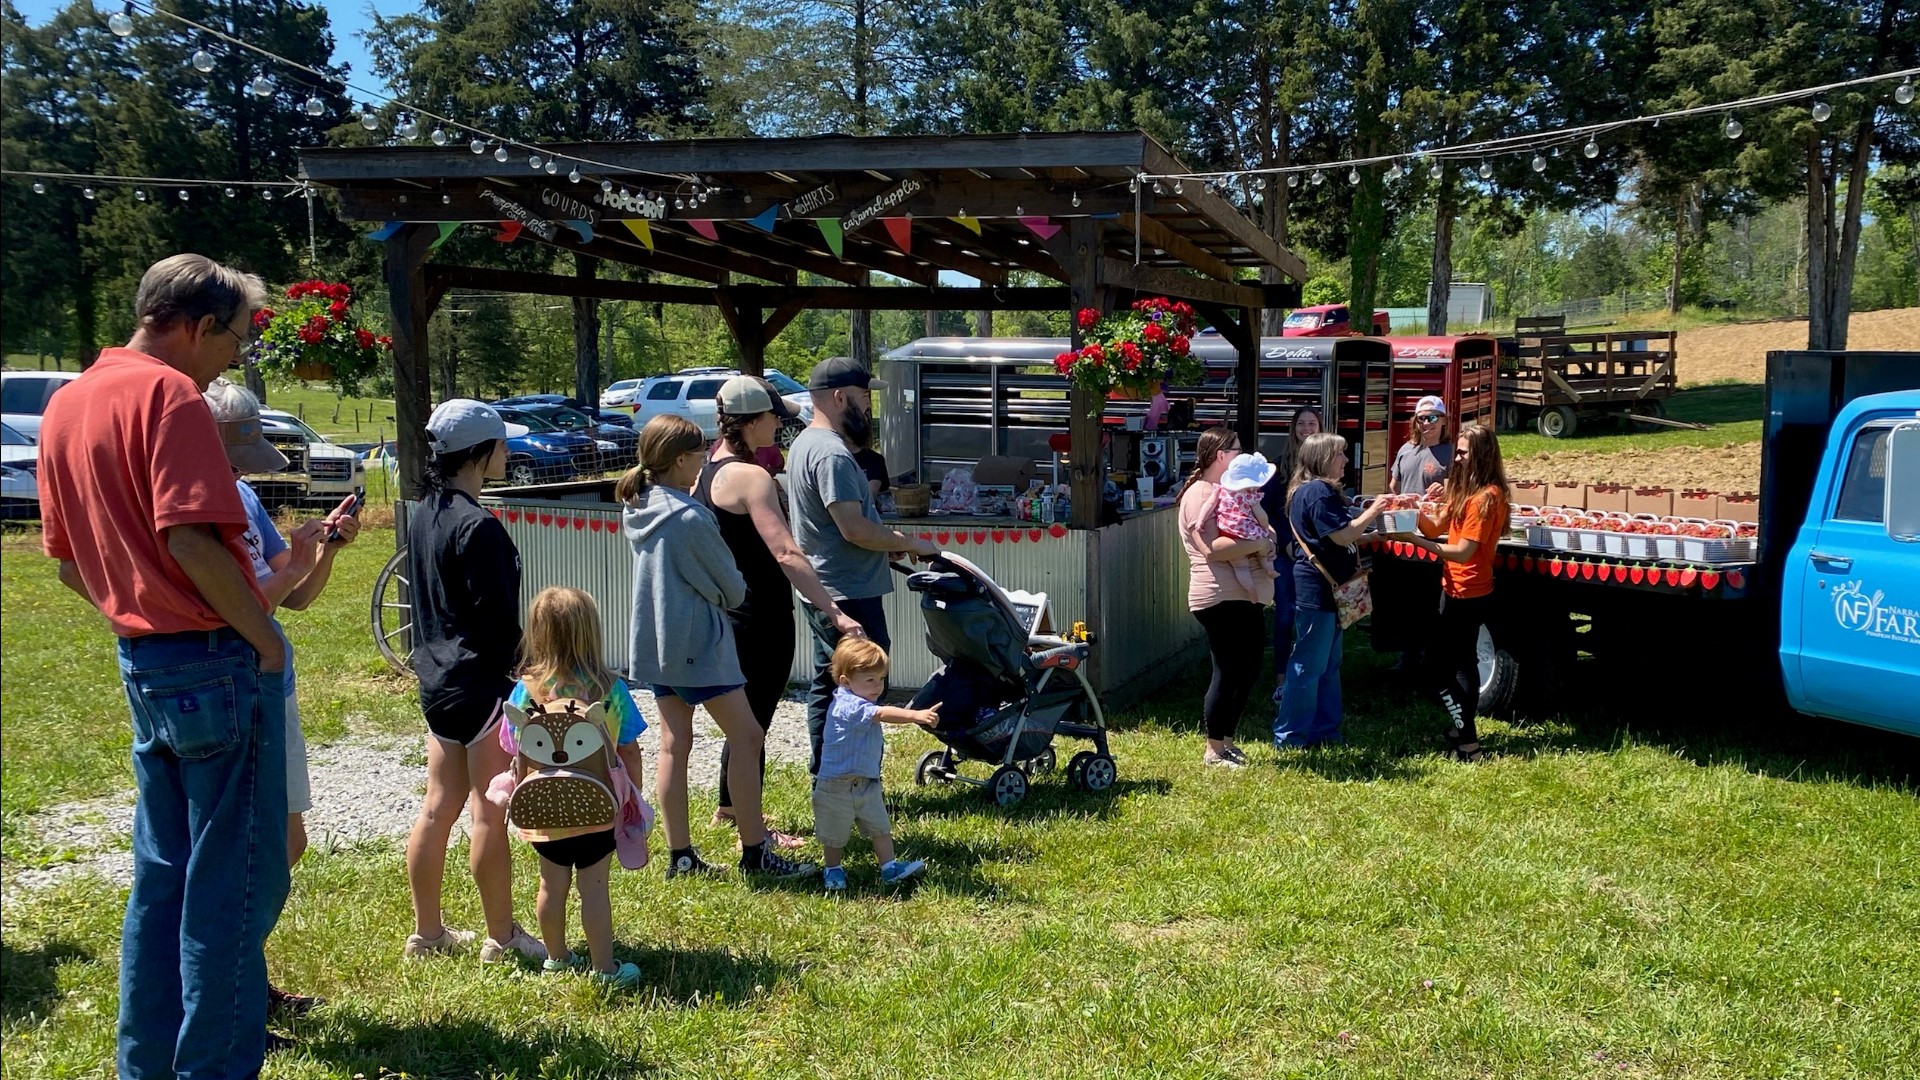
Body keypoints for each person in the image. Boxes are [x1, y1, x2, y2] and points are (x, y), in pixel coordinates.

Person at [38, 253, 291, 1078]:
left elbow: (69, 560)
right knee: (230, 891)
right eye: (236, 338)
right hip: (213, 661)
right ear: (192, 325)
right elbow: (189, 537)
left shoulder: (68, 400)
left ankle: (144, 1064)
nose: (236, 357)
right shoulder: (172, 397)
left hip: (144, 662)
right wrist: (262, 638)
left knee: (161, 881)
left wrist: (134, 608)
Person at [203, 378, 361, 1022]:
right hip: (239, 681)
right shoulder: (198, 506)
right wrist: (293, 564)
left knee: (285, 840)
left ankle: (242, 971)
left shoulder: (240, 495)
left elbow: (293, 595)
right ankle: (234, 989)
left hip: (274, 682)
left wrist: (320, 551)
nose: (241, 468)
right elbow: (239, 599)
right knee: (254, 845)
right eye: (234, 453)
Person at [619, 413, 814, 880]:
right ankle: (755, 853)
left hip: (656, 642)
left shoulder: (637, 505)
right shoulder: (690, 517)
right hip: (699, 644)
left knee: (674, 745)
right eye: (698, 455)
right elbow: (731, 589)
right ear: (681, 459)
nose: (704, 462)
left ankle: (680, 856)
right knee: (747, 738)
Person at [403, 398, 548, 965]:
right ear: (481, 452)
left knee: (438, 807)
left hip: (437, 682)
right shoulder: (480, 527)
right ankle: (502, 937)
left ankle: (428, 933)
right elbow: (498, 624)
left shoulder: (424, 511)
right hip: (480, 682)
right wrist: (529, 681)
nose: (508, 452)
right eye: (502, 444)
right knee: (489, 813)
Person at [695, 376, 864, 848]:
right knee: (755, 724)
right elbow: (786, 553)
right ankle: (753, 829)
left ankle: (729, 809)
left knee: (742, 719)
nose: (780, 426)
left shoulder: (708, 469)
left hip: (728, 611)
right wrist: (832, 610)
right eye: (775, 418)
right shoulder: (753, 478)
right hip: (762, 615)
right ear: (752, 422)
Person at [788, 356, 939, 777]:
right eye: (863, 398)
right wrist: (910, 542)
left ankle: (829, 771)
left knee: (830, 684)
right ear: (839, 398)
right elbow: (853, 528)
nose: (868, 409)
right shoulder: (832, 454)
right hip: (847, 591)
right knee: (862, 684)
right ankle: (847, 774)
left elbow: (834, 527)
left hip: (830, 584)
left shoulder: (803, 444)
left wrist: (883, 547)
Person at [495, 587, 648, 988]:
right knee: (594, 886)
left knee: (551, 882)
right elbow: (629, 748)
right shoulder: (610, 689)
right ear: (591, 632)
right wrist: (633, 795)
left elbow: (511, 745)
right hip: (597, 808)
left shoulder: (525, 689)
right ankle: (604, 969)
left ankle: (556, 958)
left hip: (542, 807)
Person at [1398, 424, 1511, 762]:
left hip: (1470, 592)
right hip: (1454, 588)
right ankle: (1462, 732)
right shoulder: (1465, 492)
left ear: (1481, 455)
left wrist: (1416, 542)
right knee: (1459, 664)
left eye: (1462, 452)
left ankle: (1469, 745)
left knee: (1441, 669)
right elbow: (1434, 526)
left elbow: (1462, 551)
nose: (1456, 458)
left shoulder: (1486, 498)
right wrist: (1416, 508)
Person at [1274, 433, 1388, 749]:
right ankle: (1291, 737)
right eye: (1340, 453)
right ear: (1323, 458)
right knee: (1310, 666)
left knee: (1326, 665)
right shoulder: (1319, 492)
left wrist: (1368, 537)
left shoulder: (1307, 491)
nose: (1345, 460)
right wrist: (1374, 511)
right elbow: (1340, 535)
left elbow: (1324, 538)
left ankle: (1323, 731)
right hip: (1320, 592)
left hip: (1326, 590)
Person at [1178, 426, 1275, 769]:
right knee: (1228, 669)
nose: (1242, 455)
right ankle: (1213, 750)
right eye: (1237, 450)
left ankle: (1227, 743)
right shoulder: (1199, 493)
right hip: (1219, 596)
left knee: (1247, 669)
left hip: (1240, 596)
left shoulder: (1225, 489)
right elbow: (1216, 549)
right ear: (1221, 456)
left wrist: (1264, 536)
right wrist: (1261, 544)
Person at [816, 637, 937, 892]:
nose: (878, 686)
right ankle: (833, 869)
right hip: (836, 786)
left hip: (867, 783)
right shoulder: (847, 705)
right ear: (846, 682)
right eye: (870, 680)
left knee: (880, 827)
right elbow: (880, 714)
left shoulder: (860, 700)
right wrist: (915, 715)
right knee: (834, 833)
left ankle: (889, 867)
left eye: (881, 678)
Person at [1376, 395, 1453, 671]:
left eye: (1432, 417)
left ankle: (1430, 658)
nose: (1426, 423)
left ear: (1444, 420)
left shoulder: (1451, 452)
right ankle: (1408, 656)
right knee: (1406, 599)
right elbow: (1394, 487)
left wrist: (1448, 490)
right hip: (1403, 535)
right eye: (1421, 418)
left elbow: (1464, 491)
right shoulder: (1406, 450)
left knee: (1430, 601)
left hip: (1433, 536)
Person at [1263, 407, 1322, 712]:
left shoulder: (1325, 466)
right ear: (1293, 428)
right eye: (1302, 423)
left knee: (1313, 618)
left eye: (1312, 423)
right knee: (1286, 614)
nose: (1307, 428)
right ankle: (1282, 680)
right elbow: (1267, 511)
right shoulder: (1279, 468)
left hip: (1317, 554)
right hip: (1287, 554)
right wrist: (1284, 541)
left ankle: (1312, 678)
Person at [1214, 452, 1282, 593]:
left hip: (1227, 533)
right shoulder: (1251, 498)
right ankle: (1269, 569)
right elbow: (1262, 518)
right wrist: (1265, 532)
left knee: (1240, 566)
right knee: (1264, 553)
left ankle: (1250, 589)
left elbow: (1207, 507)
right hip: (1249, 531)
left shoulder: (1221, 491)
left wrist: (1200, 521)